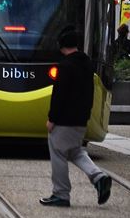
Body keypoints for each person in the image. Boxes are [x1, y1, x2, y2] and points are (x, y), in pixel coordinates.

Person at [40, 29, 113, 208]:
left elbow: (59, 95)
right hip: (80, 118)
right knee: (75, 151)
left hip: (64, 120)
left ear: (61, 45)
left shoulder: (65, 66)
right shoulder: (87, 64)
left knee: (57, 152)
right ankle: (99, 177)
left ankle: (61, 194)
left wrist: (52, 118)